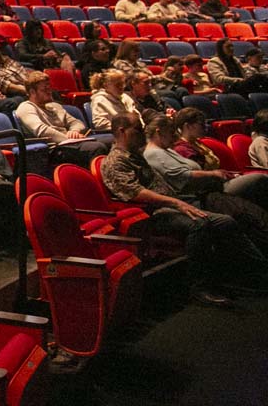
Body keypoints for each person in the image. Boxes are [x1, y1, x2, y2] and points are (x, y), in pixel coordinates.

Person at [100, 113, 268, 306]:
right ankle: (199, 287)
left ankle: (252, 274)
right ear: (122, 131)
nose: (142, 132)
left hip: (172, 204)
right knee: (205, 222)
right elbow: (135, 192)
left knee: (228, 217)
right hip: (154, 212)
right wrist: (177, 203)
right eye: (137, 129)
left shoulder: (135, 155)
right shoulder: (115, 161)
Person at [142, 115, 268, 249]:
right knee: (253, 195)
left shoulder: (165, 150)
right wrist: (212, 174)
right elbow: (182, 176)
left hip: (208, 191)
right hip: (198, 197)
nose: (174, 136)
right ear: (158, 131)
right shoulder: (153, 153)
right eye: (171, 132)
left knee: (252, 209)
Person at [172, 108, 268, 211]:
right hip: (213, 189)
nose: (205, 127)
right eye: (201, 124)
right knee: (259, 178)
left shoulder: (198, 144)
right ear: (188, 126)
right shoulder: (183, 149)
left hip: (221, 180)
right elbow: (199, 177)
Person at [15, 72, 107, 166]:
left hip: (70, 144)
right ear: (32, 92)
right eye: (44, 89)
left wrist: (74, 131)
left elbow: (77, 122)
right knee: (97, 147)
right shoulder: (26, 108)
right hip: (52, 149)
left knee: (108, 142)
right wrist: (68, 138)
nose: (49, 91)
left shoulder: (55, 106)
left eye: (49, 88)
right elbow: (42, 131)